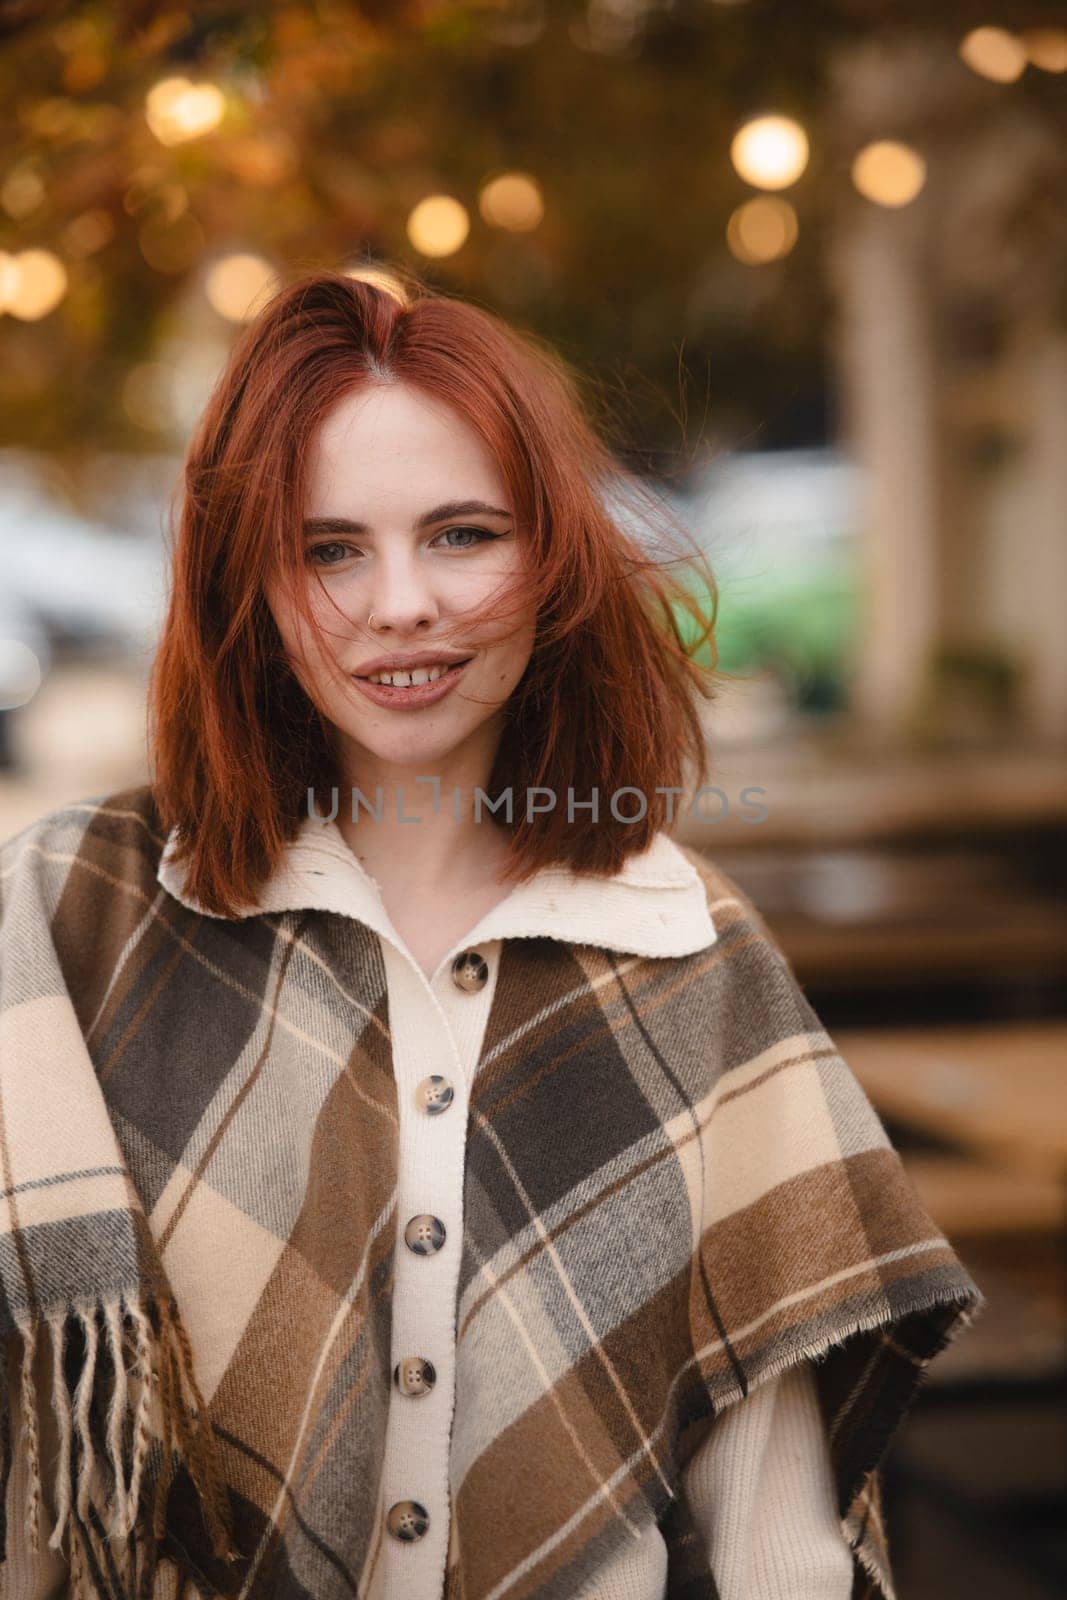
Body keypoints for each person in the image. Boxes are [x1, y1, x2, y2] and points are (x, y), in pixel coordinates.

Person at [0, 269, 984, 1600]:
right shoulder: (88, 912)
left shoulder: (686, 951)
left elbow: (774, 1543)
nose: (399, 603)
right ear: (251, 584)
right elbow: (41, 1490)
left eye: (462, 534)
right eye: (327, 547)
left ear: (554, 558)